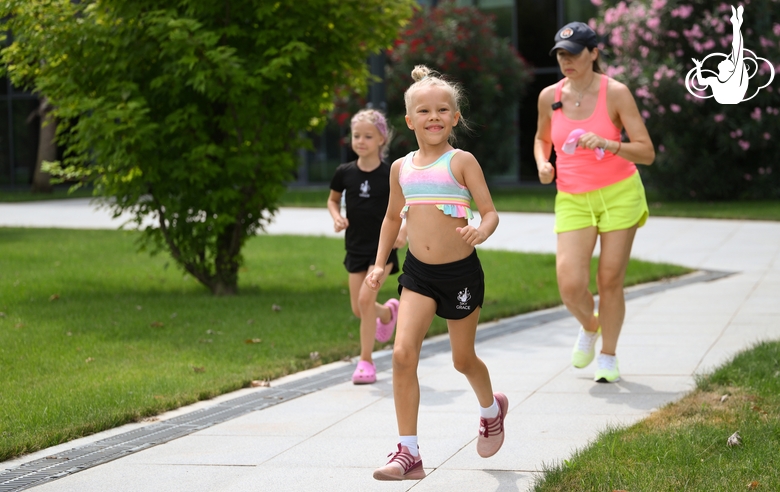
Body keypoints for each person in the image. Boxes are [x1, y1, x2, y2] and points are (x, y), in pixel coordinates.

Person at [365, 65, 507, 481]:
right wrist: (378, 264)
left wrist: (481, 229)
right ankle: (407, 453)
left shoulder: (461, 161)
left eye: (443, 110)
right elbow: (392, 219)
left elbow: (491, 212)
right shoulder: (401, 169)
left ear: (455, 117)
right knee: (402, 353)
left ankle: (491, 409)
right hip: (418, 275)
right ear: (409, 121)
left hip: (461, 274)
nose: (434, 117)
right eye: (424, 111)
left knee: (463, 359)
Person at [534, 22, 656, 383]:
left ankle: (608, 354)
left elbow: (646, 152)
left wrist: (609, 144)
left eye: (572, 54)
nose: (564, 60)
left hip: (620, 191)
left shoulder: (616, 93)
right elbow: (542, 139)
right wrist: (544, 163)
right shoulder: (549, 96)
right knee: (570, 284)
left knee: (609, 279)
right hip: (572, 196)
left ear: (594, 53)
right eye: (560, 54)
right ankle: (591, 326)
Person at [328, 109, 407, 385]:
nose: (360, 141)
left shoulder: (391, 173)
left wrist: (404, 232)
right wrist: (337, 217)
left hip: (382, 251)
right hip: (355, 248)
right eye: (356, 135)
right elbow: (333, 200)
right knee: (359, 309)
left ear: (381, 139)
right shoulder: (344, 172)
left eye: (368, 136)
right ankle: (387, 313)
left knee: (364, 301)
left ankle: (366, 362)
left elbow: (407, 207)